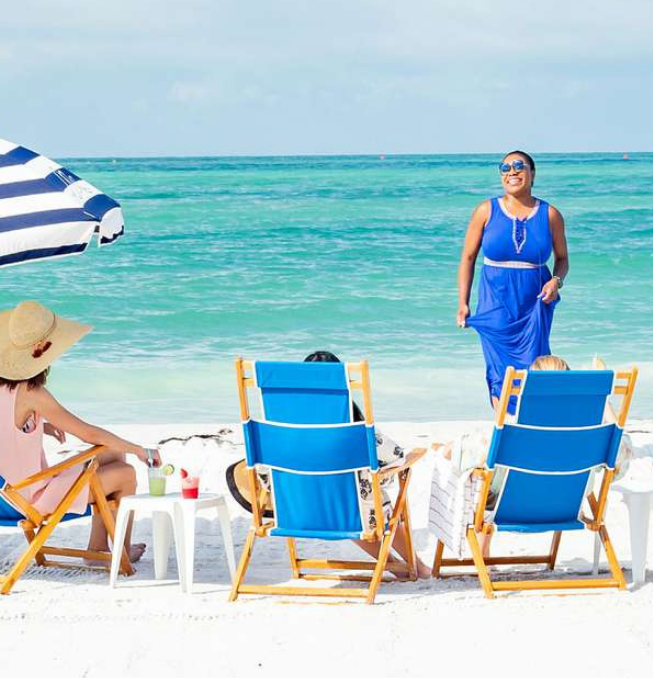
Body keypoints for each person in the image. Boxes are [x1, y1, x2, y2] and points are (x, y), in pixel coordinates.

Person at [0, 300, 158, 568]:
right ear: (42, 351)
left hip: (2, 490)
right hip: (30, 497)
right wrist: (140, 450)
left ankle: (97, 546)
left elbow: (1, 424)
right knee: (125, 474)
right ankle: (122, 551)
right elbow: (87, 433)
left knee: (113, 453)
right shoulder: (32, 393)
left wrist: (38, 426)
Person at [225, 350, 431, 578]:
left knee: (344, 497)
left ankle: (392, 564)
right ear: (342, 390)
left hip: (295, 509)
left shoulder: (278, 429)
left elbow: (262, 467)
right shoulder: (355, 429)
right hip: (345, 511)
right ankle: (418, 567)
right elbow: (395, 458)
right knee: (356, 500)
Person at [457, 150, 570, 404]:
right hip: (495, 300)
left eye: (519, 166)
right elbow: (467, 258)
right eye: (505, 168)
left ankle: (532, 424)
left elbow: (562, 260)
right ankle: (504, 426)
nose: (512, 172)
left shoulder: (550, 215)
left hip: (535, 303)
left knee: (535, 366)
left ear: (532, 173)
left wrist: (556, 281)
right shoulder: (486, 210)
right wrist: (462, 303)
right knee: (500, 371)